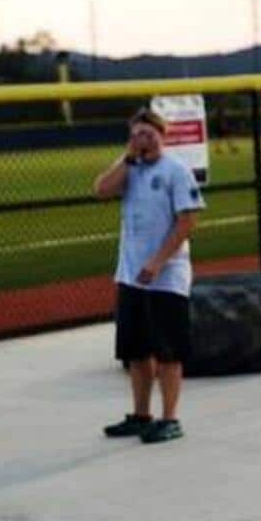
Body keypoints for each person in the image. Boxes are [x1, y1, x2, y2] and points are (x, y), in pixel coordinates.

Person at [92, 108, 203, 444]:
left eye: (148, 133)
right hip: (130, 276)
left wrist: (157, 262)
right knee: (137, 352)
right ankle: (141, 414)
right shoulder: (130, 170)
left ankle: (170, 418)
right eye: (137, 134)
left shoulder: (176, 171)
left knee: (168, 352)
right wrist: (126, 159)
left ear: (161, 135)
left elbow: (187, 221)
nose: (143, 139)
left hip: (165, 278)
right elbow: (100, 189)